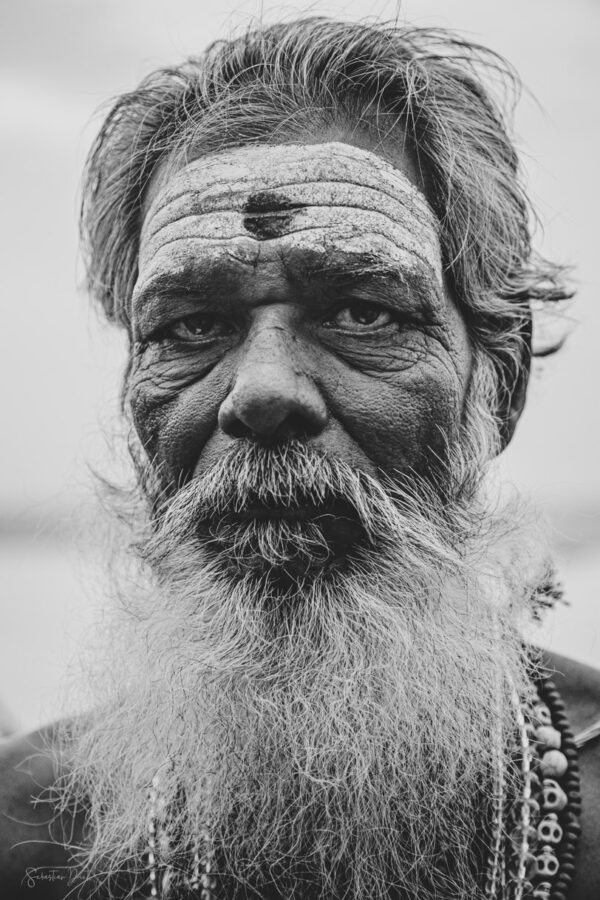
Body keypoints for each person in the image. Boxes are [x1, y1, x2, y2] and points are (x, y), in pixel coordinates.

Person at [0, 17, 598, 900]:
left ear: (496, 388)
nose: (262, 393)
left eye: (362, 312)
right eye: (191, 327)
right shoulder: (25, 829)